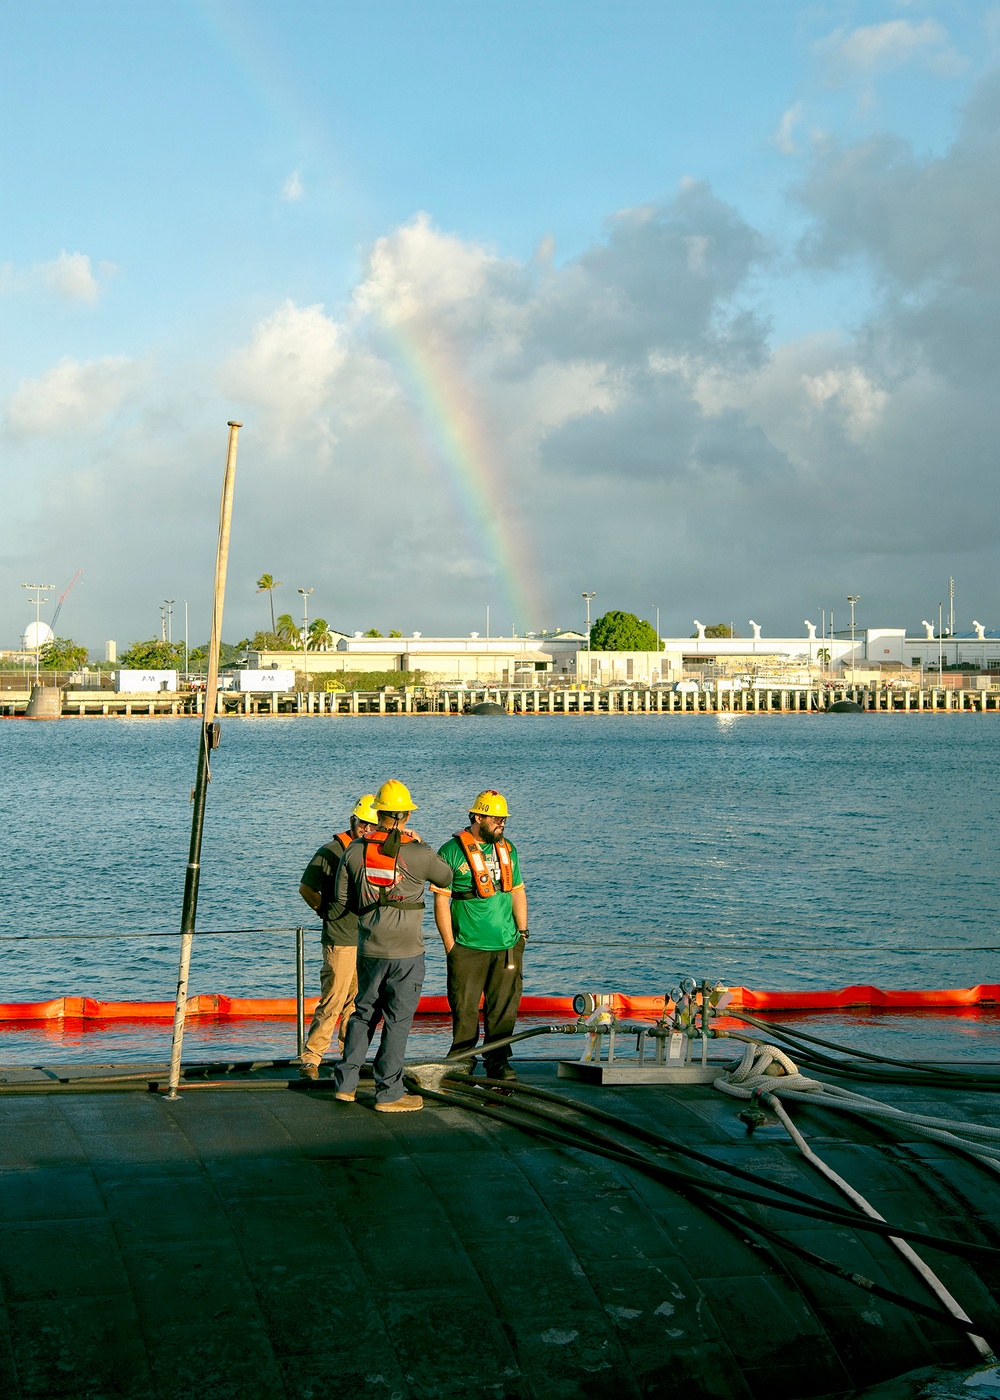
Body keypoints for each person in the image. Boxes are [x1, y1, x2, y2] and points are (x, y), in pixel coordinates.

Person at [330, 779, 453, 1112]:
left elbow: (341, 899)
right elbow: (447, 878)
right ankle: (389, 1093)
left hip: (369, 947)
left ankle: (346, 1085)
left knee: (362, 1014)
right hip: (407, 952)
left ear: (378, 813)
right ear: (407, 815)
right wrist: (422, 846)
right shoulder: (420, 852)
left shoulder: (355, 849)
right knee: (397, 1022)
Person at [433, 790, 528, 1081]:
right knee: (464, 1008)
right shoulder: (451, 851)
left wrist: (522, 935)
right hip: (467, 946)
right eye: (496, 818)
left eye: (503, 819)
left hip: (507, 945)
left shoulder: (508, 849)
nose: (501, 823)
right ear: (477, 817)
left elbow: (518, 891)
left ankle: (498, 1061)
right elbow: (441, 901)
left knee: (504, 1008)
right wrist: (451, 946)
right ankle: (461, 1061)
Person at [297, 795, 379, 1080]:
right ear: (352, 821)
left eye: (372, 825)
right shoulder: (331, 851)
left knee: (357, 1004)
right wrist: (324, 910)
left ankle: (350, 1058)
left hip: (367, 939)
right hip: (340, 938)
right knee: (333, 1000)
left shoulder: (374, 851)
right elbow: (306, 888)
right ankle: (311, 1059)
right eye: (363, 824)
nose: (367, 829)